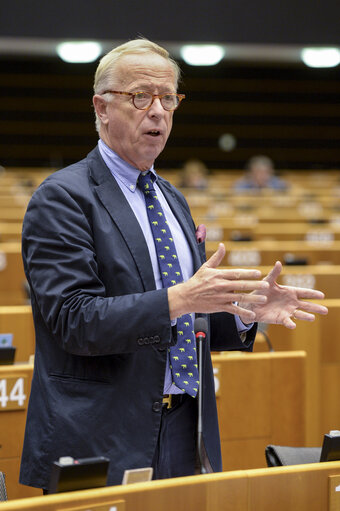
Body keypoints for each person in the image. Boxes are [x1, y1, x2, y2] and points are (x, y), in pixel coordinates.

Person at [19, 38, 327, 491]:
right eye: (140, 96)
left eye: (168, 98)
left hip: (187, 427)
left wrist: (242, 313)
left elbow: (186, 314)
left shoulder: (170, 198)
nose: (158, 111)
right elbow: (72, 320)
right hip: (102, 433)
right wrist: (179, 298)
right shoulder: (63, 198)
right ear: (101, 107)